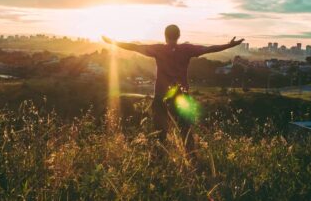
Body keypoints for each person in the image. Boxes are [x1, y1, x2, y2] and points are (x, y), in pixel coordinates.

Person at [102, 25, 244, 155]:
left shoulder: (159, 49)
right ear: (179, 36)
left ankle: (160, 160)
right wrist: (229, 45)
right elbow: (210, 49)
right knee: (186, 130)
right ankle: (192, 160)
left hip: (161, 96)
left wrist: (113, 42)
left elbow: (134, 47)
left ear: (165, 35)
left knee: (160, 132)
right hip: (181, 96)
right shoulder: (187, 49)